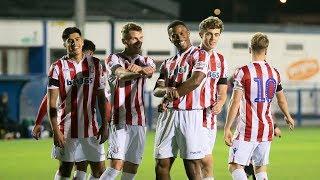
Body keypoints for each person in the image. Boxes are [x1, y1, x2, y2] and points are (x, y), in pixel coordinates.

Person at [224, 32, 295, 180]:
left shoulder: (242, 72)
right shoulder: (274, 73)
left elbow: (235, 102)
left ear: (250, 49)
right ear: (266, 50)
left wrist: (227, 128)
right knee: (260, 170)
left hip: (248, 128)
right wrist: (288, 116)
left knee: (234, 166)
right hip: (266, 129)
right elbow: (281, 100)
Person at [32, 39, 102, 180]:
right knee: (67, 168)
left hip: (88, 126)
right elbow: (48, 99)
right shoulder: (63, 71)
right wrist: (38, 122)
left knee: (87, 167)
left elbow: (103, 97)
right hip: (67, 125)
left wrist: (107, 122)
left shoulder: (94, 71)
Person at [47, 27, 108, 180]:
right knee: (65, 169)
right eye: (70, 41)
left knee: (100, 170)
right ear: (65, 45)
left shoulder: (95, 64)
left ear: (82, 41)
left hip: (91, 127)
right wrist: (55, 130)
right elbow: (51, 102)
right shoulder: (57, 67)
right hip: (66, 128)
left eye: (77, 39)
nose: (74, 43)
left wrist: (105, 125)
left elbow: (101, 97)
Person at [153, 20, 210, 180]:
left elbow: (196, 80)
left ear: (188, 33)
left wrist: (172, 95)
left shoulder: (200, 54)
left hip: (190, 114)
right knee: (161, 164)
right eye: (174, 35)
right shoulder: (167, 63)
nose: (178, 37)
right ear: (170, 39)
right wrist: (166, 91)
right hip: (168, 116)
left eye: (181, 33)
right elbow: (157, 89)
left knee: (192, 165)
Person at [99, 22, 155, 180]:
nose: (139, 41)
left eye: (141, 38)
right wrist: (139, 72)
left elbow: (150, 71)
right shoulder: (113, 57)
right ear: (125, 41)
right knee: (116, 166)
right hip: (120, 120)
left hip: (139, 121)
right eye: (134, 38)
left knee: (131, 168)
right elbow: (120, 74)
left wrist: (143, 70)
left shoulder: (146, 60)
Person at [198, 16, 228, 180]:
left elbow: (222, 90)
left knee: (200, 163)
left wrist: (221, 102)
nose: (213, 38)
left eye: (216, 34)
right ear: (201, 34)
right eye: (209, 34)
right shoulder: (192, 55)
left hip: (210, 119)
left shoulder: (221, 60)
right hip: (193, 117)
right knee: (206, 161)